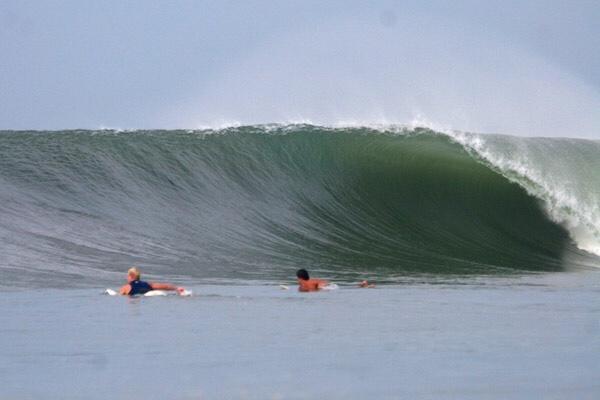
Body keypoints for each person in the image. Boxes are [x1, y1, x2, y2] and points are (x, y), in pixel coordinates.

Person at [119, 267, 185, 296]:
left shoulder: (126, 287)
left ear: (130, 276)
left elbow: (119, 295)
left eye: (127, 276)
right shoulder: (148, 284)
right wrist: (176, 288)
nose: (127, 278)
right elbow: (164, 286)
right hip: (150, 294)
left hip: (140, 296)